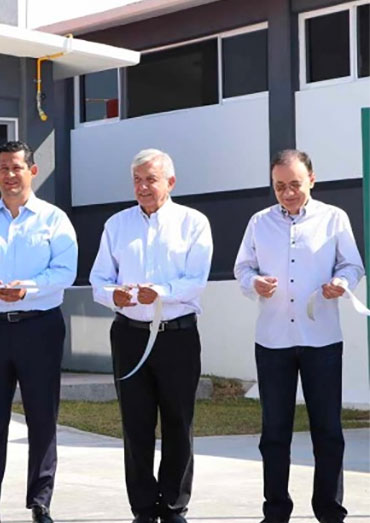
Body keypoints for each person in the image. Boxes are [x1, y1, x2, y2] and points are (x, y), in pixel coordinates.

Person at [0, 140, 77, 523]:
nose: (9, 175)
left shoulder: (53, 220)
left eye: (17, 167)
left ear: (32, 172)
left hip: (39, 328)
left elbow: (65, 272)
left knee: (42, 419)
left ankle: (40, 503)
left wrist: (28, 288)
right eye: (3, 168)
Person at [233, 149, 364, 523]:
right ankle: (275, 512)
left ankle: (329, 511)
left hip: (321, 339)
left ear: (311, 179)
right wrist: (254, 282)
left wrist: (342, 282)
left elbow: (352, 264)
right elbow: (242, 268)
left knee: (328, 431)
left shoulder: (334, 219)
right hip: (272, 341)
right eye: (279, 186)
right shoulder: (259, 223)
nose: (287, 193)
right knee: (274, 434)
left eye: (294, 184)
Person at [89, 149, 213, 523]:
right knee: (136, 424)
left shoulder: (194, 223)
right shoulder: (116, 225)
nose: (143, 187)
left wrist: (160, 292)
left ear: (170, 182)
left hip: (176, 336)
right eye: (137, 180)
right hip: (129, 335)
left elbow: (196, 281)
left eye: (151, 179)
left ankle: (174, 506)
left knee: (179, 422)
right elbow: (98, 281)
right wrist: (116, 295)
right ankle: (142, 508)